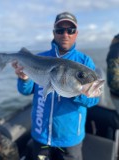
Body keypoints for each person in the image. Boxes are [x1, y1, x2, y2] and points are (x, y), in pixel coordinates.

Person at [12, 12, 102, 160]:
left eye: (70, 30)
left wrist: (82, 93)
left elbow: (93, 100)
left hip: (70, 139)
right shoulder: (39, 57)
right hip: (40, 134)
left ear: (76, 33)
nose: (65, 34)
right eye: (60, 30)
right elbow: (26, 90)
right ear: (54, 33)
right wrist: (24, 79)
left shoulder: (85, 62)